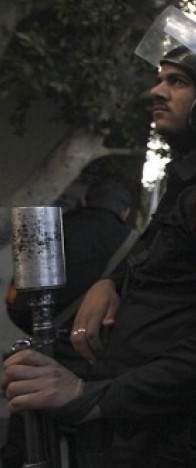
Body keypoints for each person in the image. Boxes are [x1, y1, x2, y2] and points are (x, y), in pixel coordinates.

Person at [1, 6, 196, 467]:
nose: (156, 90)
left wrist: (93, 397)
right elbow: (161, 260)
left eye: (177, 82)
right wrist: (109, 282)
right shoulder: (188, 188)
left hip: (176, 442)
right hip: (138, 435)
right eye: (160, 78)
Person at [1, 178, 133, 468]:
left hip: (44, 359)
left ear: (88, 201)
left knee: (27, 446)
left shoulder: (50, 227)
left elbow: (16, 303)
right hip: (98, 366)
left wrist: (46, 334)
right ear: (124, 211)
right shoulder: (131, 241)